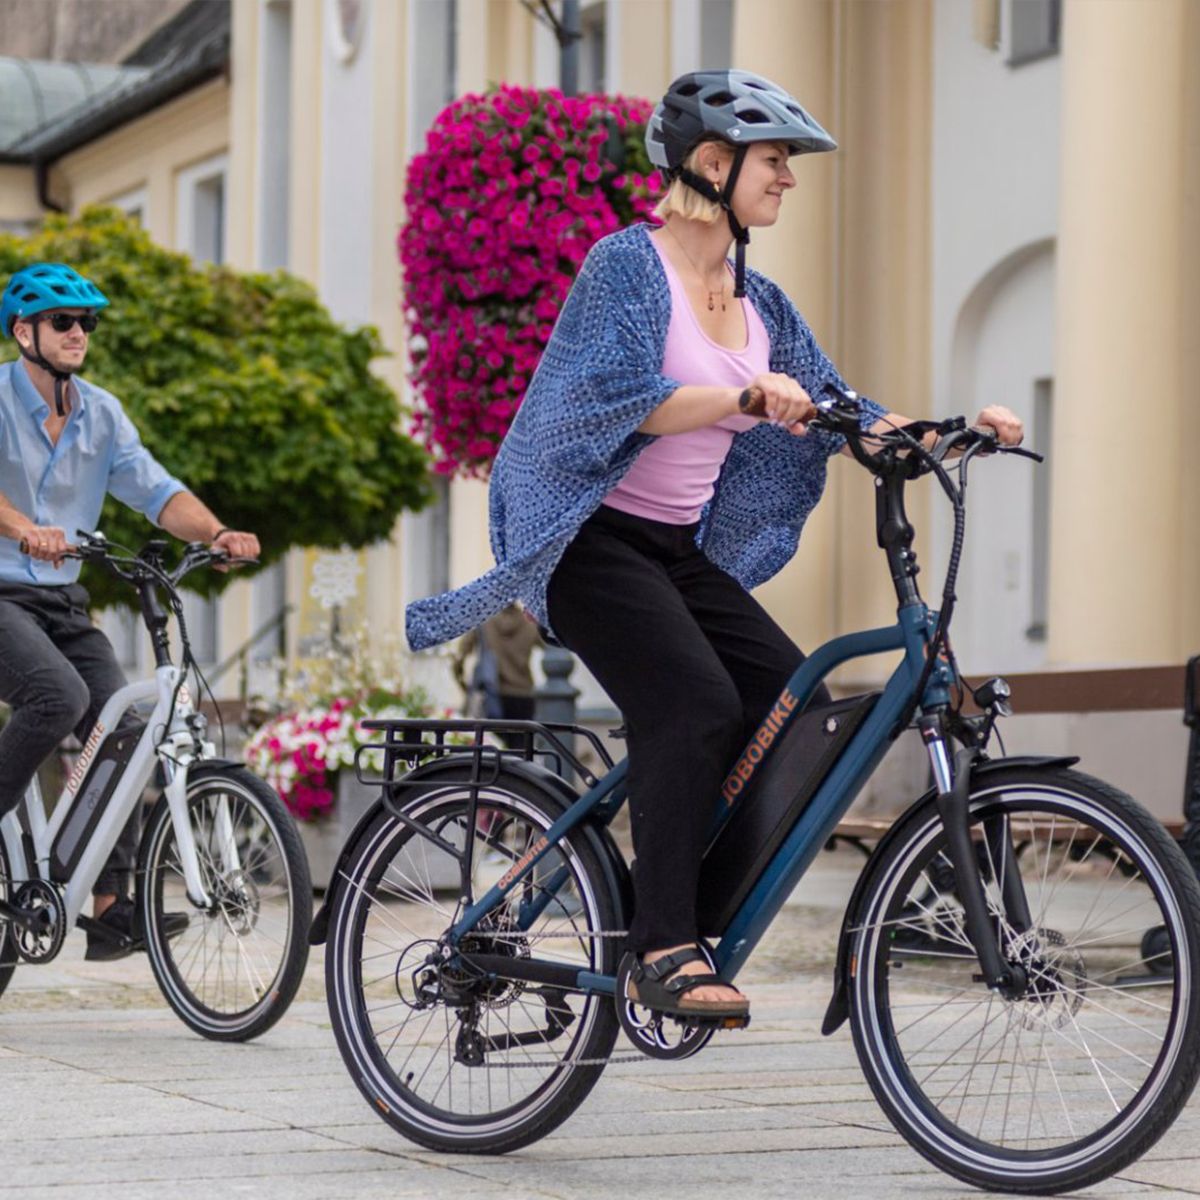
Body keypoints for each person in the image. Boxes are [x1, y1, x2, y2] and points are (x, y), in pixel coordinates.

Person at [406, 70, 1024, 1020]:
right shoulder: (627, 266)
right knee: (692, 701)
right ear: (710, 162)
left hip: (673, 548)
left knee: (793, 703)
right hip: (584, 538)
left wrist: (949, 432)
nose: (788, 178)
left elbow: (841, 407)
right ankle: (661, 948)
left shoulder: (759, 299)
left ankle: (686, 902)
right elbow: (614, 400)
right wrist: (740, 396)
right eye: (774, 159)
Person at [0, 261, 260, 960]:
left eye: (86, 321)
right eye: (63, 321)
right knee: (58, 695)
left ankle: (111, 906)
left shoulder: (101, 414)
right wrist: (24, 528)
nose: (79, 332)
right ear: (24, 333)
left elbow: (157, 491)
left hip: (62, 600)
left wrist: (216, 533)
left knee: (123, 729)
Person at [452, 602, 541, 725]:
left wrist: (465, 686)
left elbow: (460, 658)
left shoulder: (483, 619)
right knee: (523, 736)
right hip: (523, 693)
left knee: (490, 736)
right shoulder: (529, 621)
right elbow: (551, 648)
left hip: (491, 693)